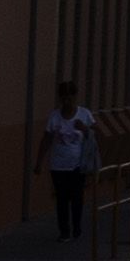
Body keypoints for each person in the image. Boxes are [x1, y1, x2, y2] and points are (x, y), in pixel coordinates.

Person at [39, 80, 98, 239]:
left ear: (75, 97)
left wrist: (84, 129)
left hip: (78, 164)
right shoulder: (55, 116)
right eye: (63, 99)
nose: (66, 102)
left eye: (69, 98)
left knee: (77, 197)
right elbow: (46, 138)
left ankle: (77, 228)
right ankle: (64, 231)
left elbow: (95, 136)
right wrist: (39, 161)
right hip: (58, 165)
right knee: (62, 198)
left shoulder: (84, 114)